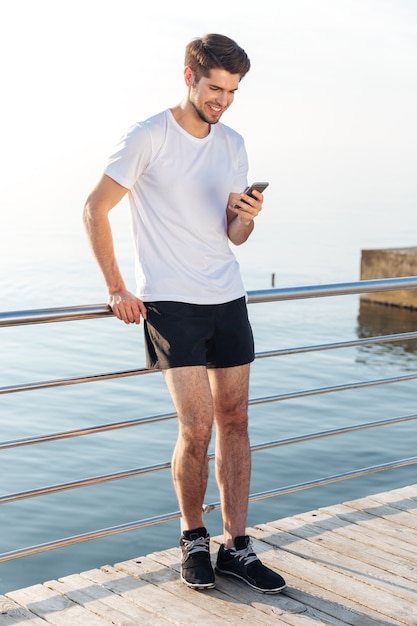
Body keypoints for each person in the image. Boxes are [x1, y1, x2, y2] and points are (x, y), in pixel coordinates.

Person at [83, 33, 286, 594]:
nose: (223, 100)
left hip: (228, 296)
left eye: (233, 90)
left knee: (237, 422)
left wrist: (248, 216)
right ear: (189, 77)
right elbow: (94, 208)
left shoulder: (233, 143)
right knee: (196, 428)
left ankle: (237, 546)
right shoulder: (148, 136)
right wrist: (117, 287)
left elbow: (234, 236)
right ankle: (193, 539)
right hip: (171, 302)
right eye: (215, 87)